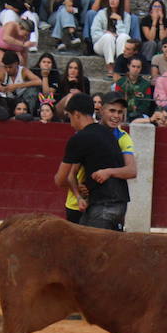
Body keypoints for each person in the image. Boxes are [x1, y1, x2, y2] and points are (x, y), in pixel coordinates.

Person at [57, 93, 134, 230]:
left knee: (90, 249)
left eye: (69, 117)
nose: (70, 123)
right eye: (112, 110)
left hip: (101, 205)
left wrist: (76, 190)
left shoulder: (80, 138)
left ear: (76, 114)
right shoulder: (109, 134)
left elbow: (61, 179)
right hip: (112, 203)